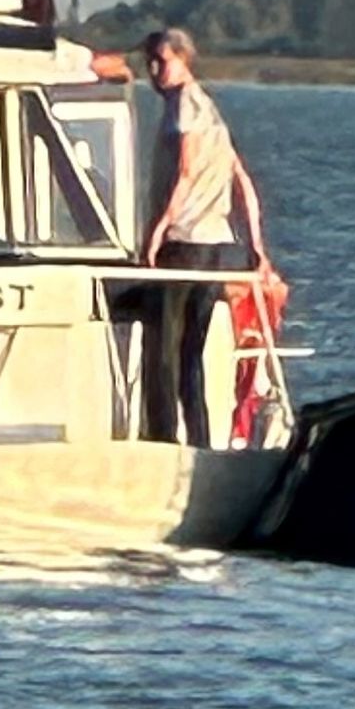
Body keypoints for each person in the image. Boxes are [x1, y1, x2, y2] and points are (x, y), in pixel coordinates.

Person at [137, 25, 267, 448]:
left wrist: (157, 230)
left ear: (183, 59)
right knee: (192, 351)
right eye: (151, 62)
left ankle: (164, 441)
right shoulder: (212, 110)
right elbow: (241, 179)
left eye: (163, 61)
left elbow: (186, 172)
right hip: (217, 244)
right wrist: (255, 247)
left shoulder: (185, 108)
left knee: (165, 349)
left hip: (186, 241)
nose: (156, 71)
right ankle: (200, 439)